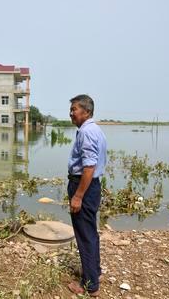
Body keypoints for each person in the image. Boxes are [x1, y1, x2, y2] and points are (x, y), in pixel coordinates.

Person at [66, 94, 107, 297]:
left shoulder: (87, 132)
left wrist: (78, 196)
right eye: (71, 109)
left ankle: (90, 285)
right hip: (91, 187)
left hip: (84, 186)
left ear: (87, 112)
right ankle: (95, 273)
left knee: (84, 236)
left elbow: (89, 167)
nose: (71, 113)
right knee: (90, 232)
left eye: (75, 109)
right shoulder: (94, 129)